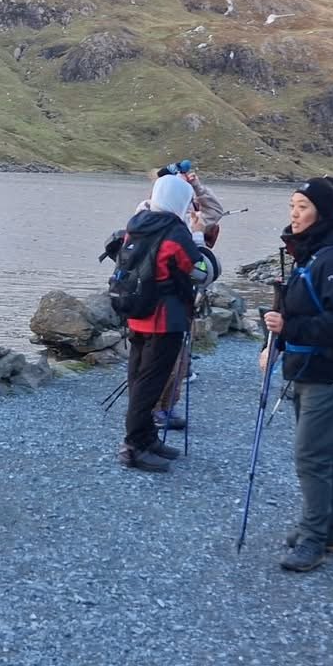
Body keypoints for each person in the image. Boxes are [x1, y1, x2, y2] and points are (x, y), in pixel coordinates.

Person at [262, 176, 333, 572]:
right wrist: (278, 340)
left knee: (310, 456)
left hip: (332, 372)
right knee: (325, 453)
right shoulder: (316, 253)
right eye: (292, 206)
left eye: (302, 207)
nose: (294, 214)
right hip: (311, 369)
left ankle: (313, 540)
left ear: (323, 212)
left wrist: (288, 328)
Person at [115, 173, 205, 472]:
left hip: (137, 313)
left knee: (138, 378)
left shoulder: (136, 224)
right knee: (150, 383)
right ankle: (134, 447)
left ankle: (147, 438)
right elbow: (197, 270)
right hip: (165, 318)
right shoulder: (175, 232)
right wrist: (198, 236)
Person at [149, 159, 224, 435]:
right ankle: (153, 410)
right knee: (164, 359)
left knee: (179, 359)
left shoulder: (189, 214)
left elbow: (215, 211)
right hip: (162, 300)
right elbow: (201, 270)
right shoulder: (151, 213)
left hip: (184, 298)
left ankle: (167, 405)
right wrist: (196, 238)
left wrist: (197, 187)